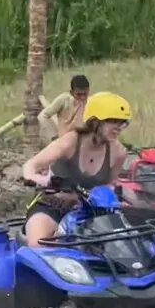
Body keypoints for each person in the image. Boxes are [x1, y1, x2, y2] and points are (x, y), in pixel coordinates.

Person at [20, 91, 132, 248]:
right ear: (94, 121)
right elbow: (30, 166)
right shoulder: (69, 142)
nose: (118, 128)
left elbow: (111, 183)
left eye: (122, 123)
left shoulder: (119, 152)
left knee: (125, 245)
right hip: (54, 205)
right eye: (112, 121)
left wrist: (114, 196)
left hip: (92, 210)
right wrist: (42, 180)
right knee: (39, 246)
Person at [38, 74, 91, 140]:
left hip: (79, 140)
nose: (82, 97)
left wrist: (81, 108)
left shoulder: (91, 103)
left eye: (85, 94)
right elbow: (43, 115)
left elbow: (80, 126)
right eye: (79, 94)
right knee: (42, 115)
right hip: (61, 137)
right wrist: (54, 137)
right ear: (71, 93)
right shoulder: (64, 99)